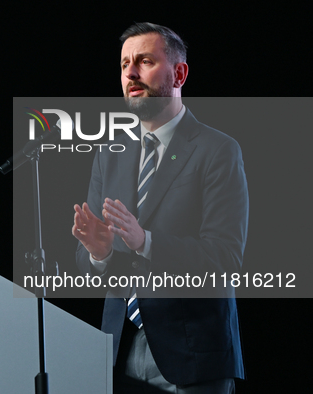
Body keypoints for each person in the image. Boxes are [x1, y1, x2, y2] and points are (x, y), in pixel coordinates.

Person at [73, 22, 248, 393]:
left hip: (195, 358)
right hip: (118, 354)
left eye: (144, 61)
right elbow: (86, 262)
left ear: (179, 73)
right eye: (124, 65)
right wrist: (99, 254)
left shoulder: (218, 150)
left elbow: (225, 258)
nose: (131, 74)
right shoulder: (110, 154)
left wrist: (146, 242)